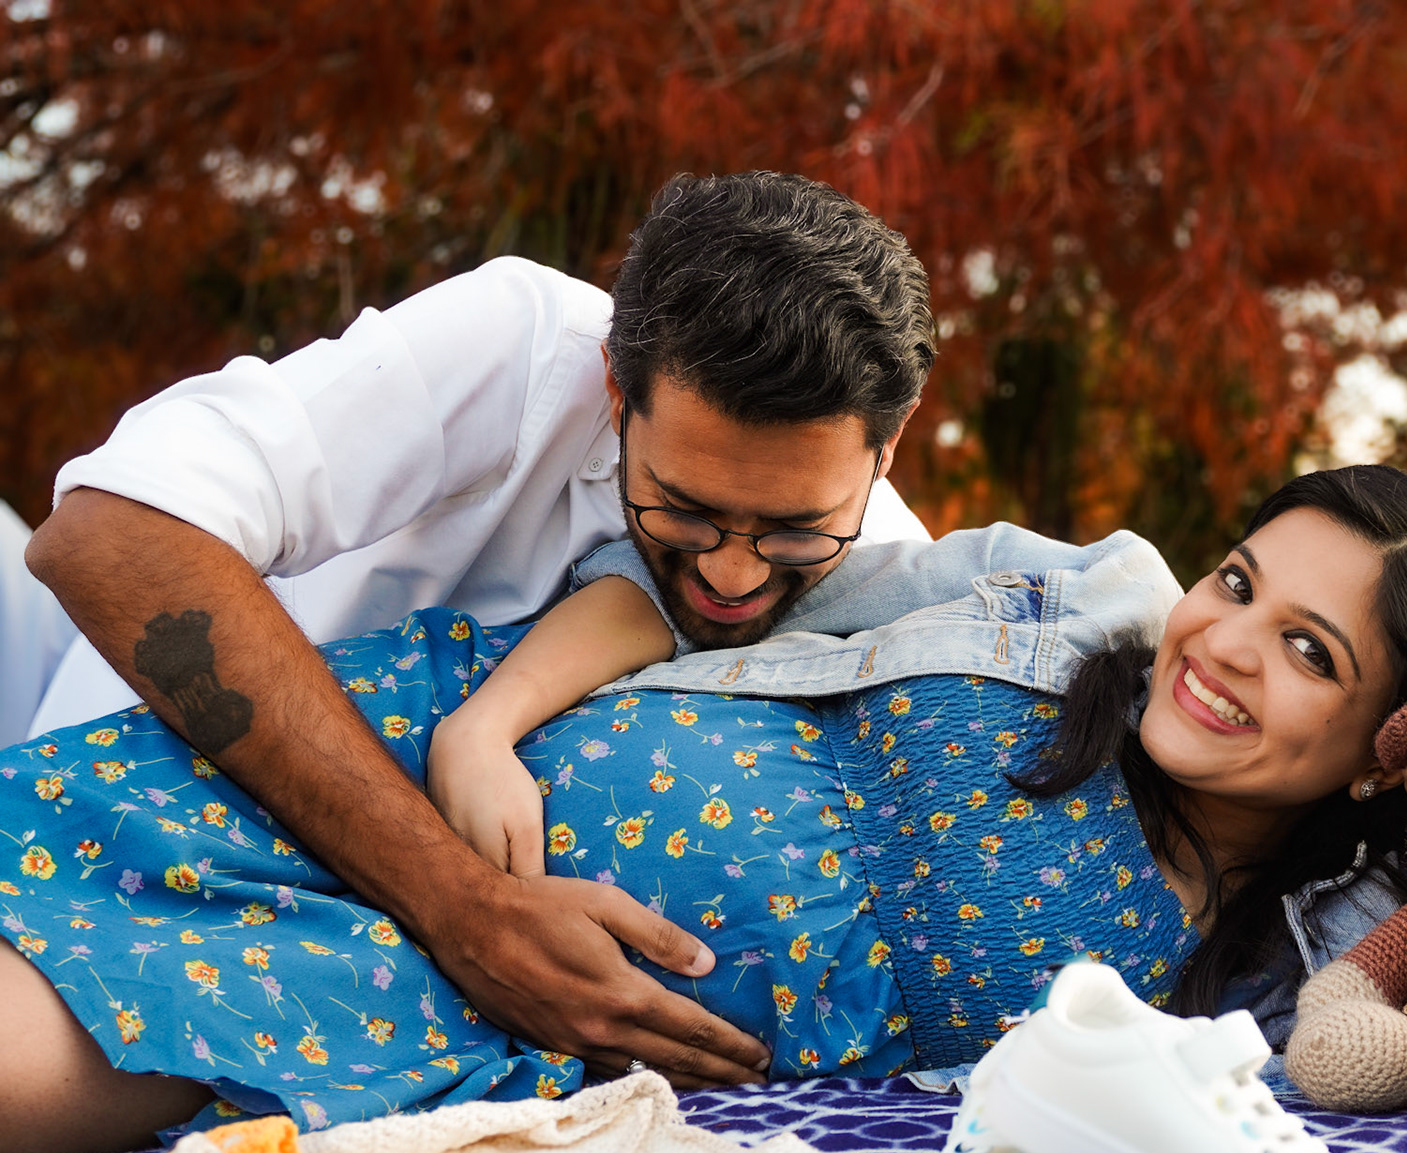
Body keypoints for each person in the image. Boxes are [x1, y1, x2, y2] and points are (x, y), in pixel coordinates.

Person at [0, 466, 1407, 1153]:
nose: (1221, 643)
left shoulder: (1315, 963)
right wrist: (484, 731)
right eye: (1242, 581)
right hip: (402, 773)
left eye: (1310, 651)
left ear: (1384, 747)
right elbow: (684, 595)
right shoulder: (1071, 596)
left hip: (456, 1010)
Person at [16, 171, 940, 1092]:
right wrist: (460, 904)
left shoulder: (897, 597)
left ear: (887, 448)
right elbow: (108, 535)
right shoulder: (523, 350)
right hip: (100, 797)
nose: (733, 577)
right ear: (616, 392)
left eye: (796, 532)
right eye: (685, 512)